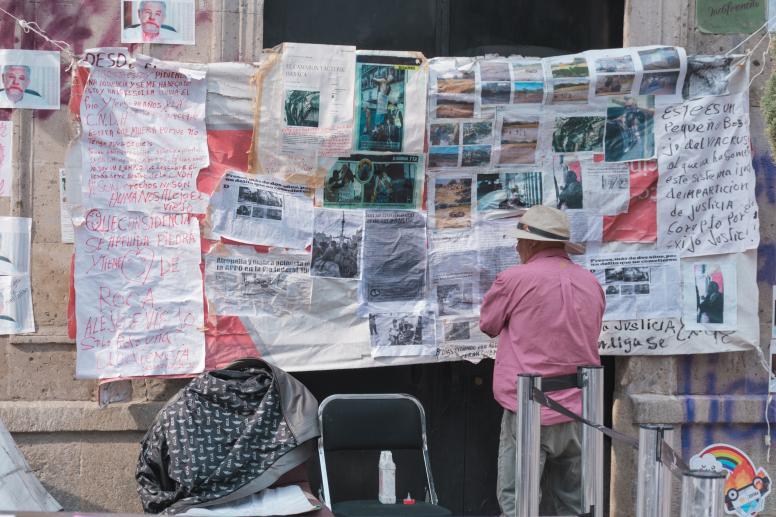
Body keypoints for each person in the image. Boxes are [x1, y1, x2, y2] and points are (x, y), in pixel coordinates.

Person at [479, 205, 605, 517]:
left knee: (518, 503)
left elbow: (488, 324)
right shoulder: (590, 282)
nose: (516, 246)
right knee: (575, 504)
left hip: (528, 408)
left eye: (520, 240)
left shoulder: (513, 279)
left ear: (533, 243)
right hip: (578, 408)